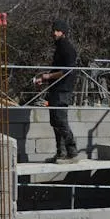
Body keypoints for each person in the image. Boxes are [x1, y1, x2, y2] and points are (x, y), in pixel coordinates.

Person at [34, 19, 79, 163]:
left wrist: (48, 76)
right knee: (55, 122)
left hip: (63, 90)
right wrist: (45, 79)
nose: (54, 33)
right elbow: (57, 71)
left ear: (63, 32)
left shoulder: (67, 48)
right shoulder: (59, 47)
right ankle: (61, 153)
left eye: (57, 30)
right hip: (55, 89)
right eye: (53, 30)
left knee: (60, 121)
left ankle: (72, 153)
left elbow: (67, 71)